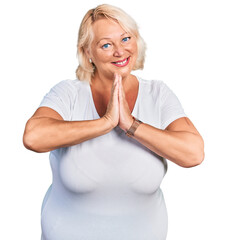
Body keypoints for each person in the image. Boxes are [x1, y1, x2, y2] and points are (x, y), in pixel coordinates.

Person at [23, 4, 204, 240]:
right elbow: (33, 137)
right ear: (88, 52)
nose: (120, 51)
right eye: (106, 44)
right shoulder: (68, 93)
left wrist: (132, 125)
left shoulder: (158, 93)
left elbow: (194, 154)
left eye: (126, 39)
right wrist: (106, 123)